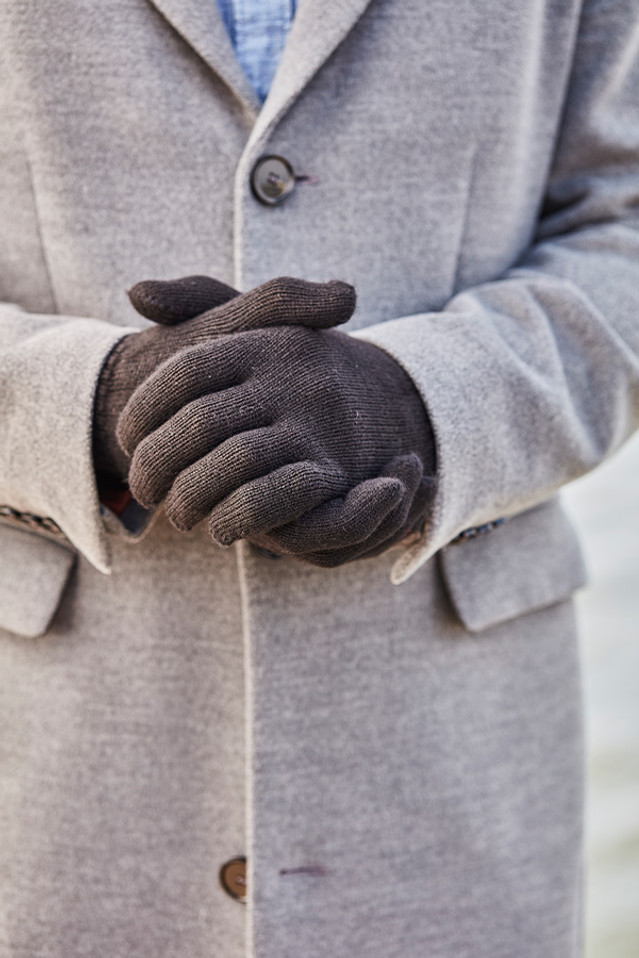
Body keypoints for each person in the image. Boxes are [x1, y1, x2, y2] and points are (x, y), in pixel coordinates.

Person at [0, 1, 637, 956]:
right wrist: (97, 404)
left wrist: (419, 404)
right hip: (52, 763)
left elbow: (622, 220)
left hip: (455, 771)